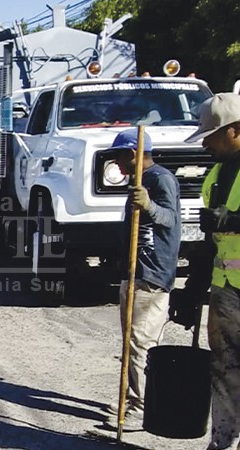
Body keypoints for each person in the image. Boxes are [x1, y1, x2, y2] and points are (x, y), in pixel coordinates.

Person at [103, 128, 181, 430]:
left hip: (152, 273)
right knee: (130, 342)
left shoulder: (159, 179)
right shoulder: (139, 180)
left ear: (132, 154)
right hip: (134, 272)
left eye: (119, 157)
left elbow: (171, 220)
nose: (117, 164)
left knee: (141, 344)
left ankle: (140, 408)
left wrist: (148, 204)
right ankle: (130, 398)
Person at [176, 92, 240, 450]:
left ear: (235, 131)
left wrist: (233, 220)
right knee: (224, 371)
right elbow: (209, 243)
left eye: (211, 135)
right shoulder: (215, 176)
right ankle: (222, 442)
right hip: (226, 291)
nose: (204, 142)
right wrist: (191, 290)